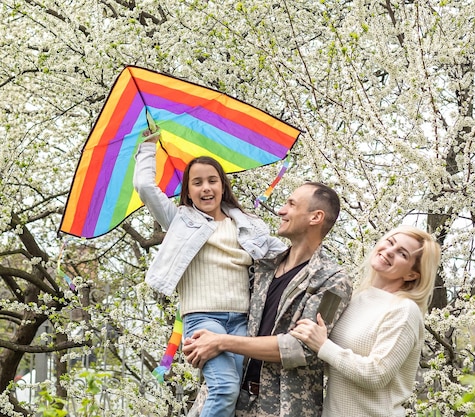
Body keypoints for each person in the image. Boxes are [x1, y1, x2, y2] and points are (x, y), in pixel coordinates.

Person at [133, 129, 286, 417]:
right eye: (197, 182)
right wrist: (148, 146)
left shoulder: (248, 225)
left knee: (239, 391)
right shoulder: (180, 220)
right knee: (224, 388)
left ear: (223, 186)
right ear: (188, 191)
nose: (206, 188)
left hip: (243, 322)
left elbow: (282, 255)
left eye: (212, 181)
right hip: (203, 319)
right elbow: (144, 186)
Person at [182, 182, 353, 417]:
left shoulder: (333, 281)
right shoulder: (261, 265)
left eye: (291, 204)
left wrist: (221, 342)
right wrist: (202, 341)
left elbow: (302, 348)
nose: (281, 211)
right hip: (226, 401)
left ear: (316, 217)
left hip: (282, 409)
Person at [290, 225, 441, 417]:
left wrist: (323, 346)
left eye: (402, 254)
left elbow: (376, 374)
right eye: (390, 242)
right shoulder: (354, 297)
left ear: (412, 274)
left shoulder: (403, 310)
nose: (389, 252)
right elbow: (336, 366)